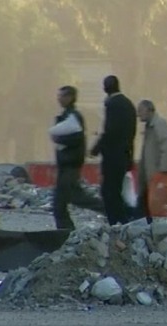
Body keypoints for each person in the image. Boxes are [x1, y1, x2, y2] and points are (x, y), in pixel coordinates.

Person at [49, 86, 105, 229]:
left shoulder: (74, 117)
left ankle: (66, 233)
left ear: (70, 97)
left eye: (62, 96)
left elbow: (76, 139)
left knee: (60, 203)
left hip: (70, 166)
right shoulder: (67, 116)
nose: (59, 99)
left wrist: (58, 138)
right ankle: (113, 210)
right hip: (66, 166)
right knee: (78, 199)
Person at [90, 76, 137, 225]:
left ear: (105, 88)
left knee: (108, 192)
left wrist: (96, 148)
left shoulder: (112, 104)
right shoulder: (128, 104)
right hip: (124, 155)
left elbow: (110, 131)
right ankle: (123, 220)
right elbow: (131, 134)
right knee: (116, 191)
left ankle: (116, 223)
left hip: (112, 156)